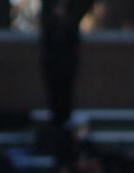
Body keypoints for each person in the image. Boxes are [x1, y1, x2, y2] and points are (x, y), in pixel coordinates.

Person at [39, 0, 81, 128]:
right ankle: (56, 120)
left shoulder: (70, 27)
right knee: (54, 97)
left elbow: (74, 44)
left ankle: (65, 120)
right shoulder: (50, 27)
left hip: (66, 69)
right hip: (53, 69)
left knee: (65, 97)